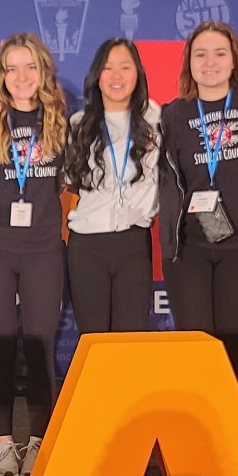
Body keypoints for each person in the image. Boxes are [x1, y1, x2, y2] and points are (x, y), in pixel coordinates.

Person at [159, 21, 238, 437]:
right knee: (197, 352)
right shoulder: (172, 114)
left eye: (219, 53)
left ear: (235, 60)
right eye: (200, 55)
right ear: (189, 64)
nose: (210, 63)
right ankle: (198, 444)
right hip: (188, 250)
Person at [0, 33, 68, 476]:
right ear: (0, 75)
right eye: (12, 68)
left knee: (41, 347)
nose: (21, 77)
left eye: (30, 67)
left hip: (43, 249)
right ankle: (5, 445)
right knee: (1, 346)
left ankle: (39, 442)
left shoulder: (62, 123)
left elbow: (70, 183)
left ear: (43, 72)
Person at [64, 38, 160, 335]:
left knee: (129, 341)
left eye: (125, 67)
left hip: (133, 243)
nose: (116, 76)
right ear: (96, 76)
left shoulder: (156, 118)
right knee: (94, 341)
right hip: (87, 245)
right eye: (108, 68)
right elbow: (71, 182)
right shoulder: (79, 124)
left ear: (138, 74)